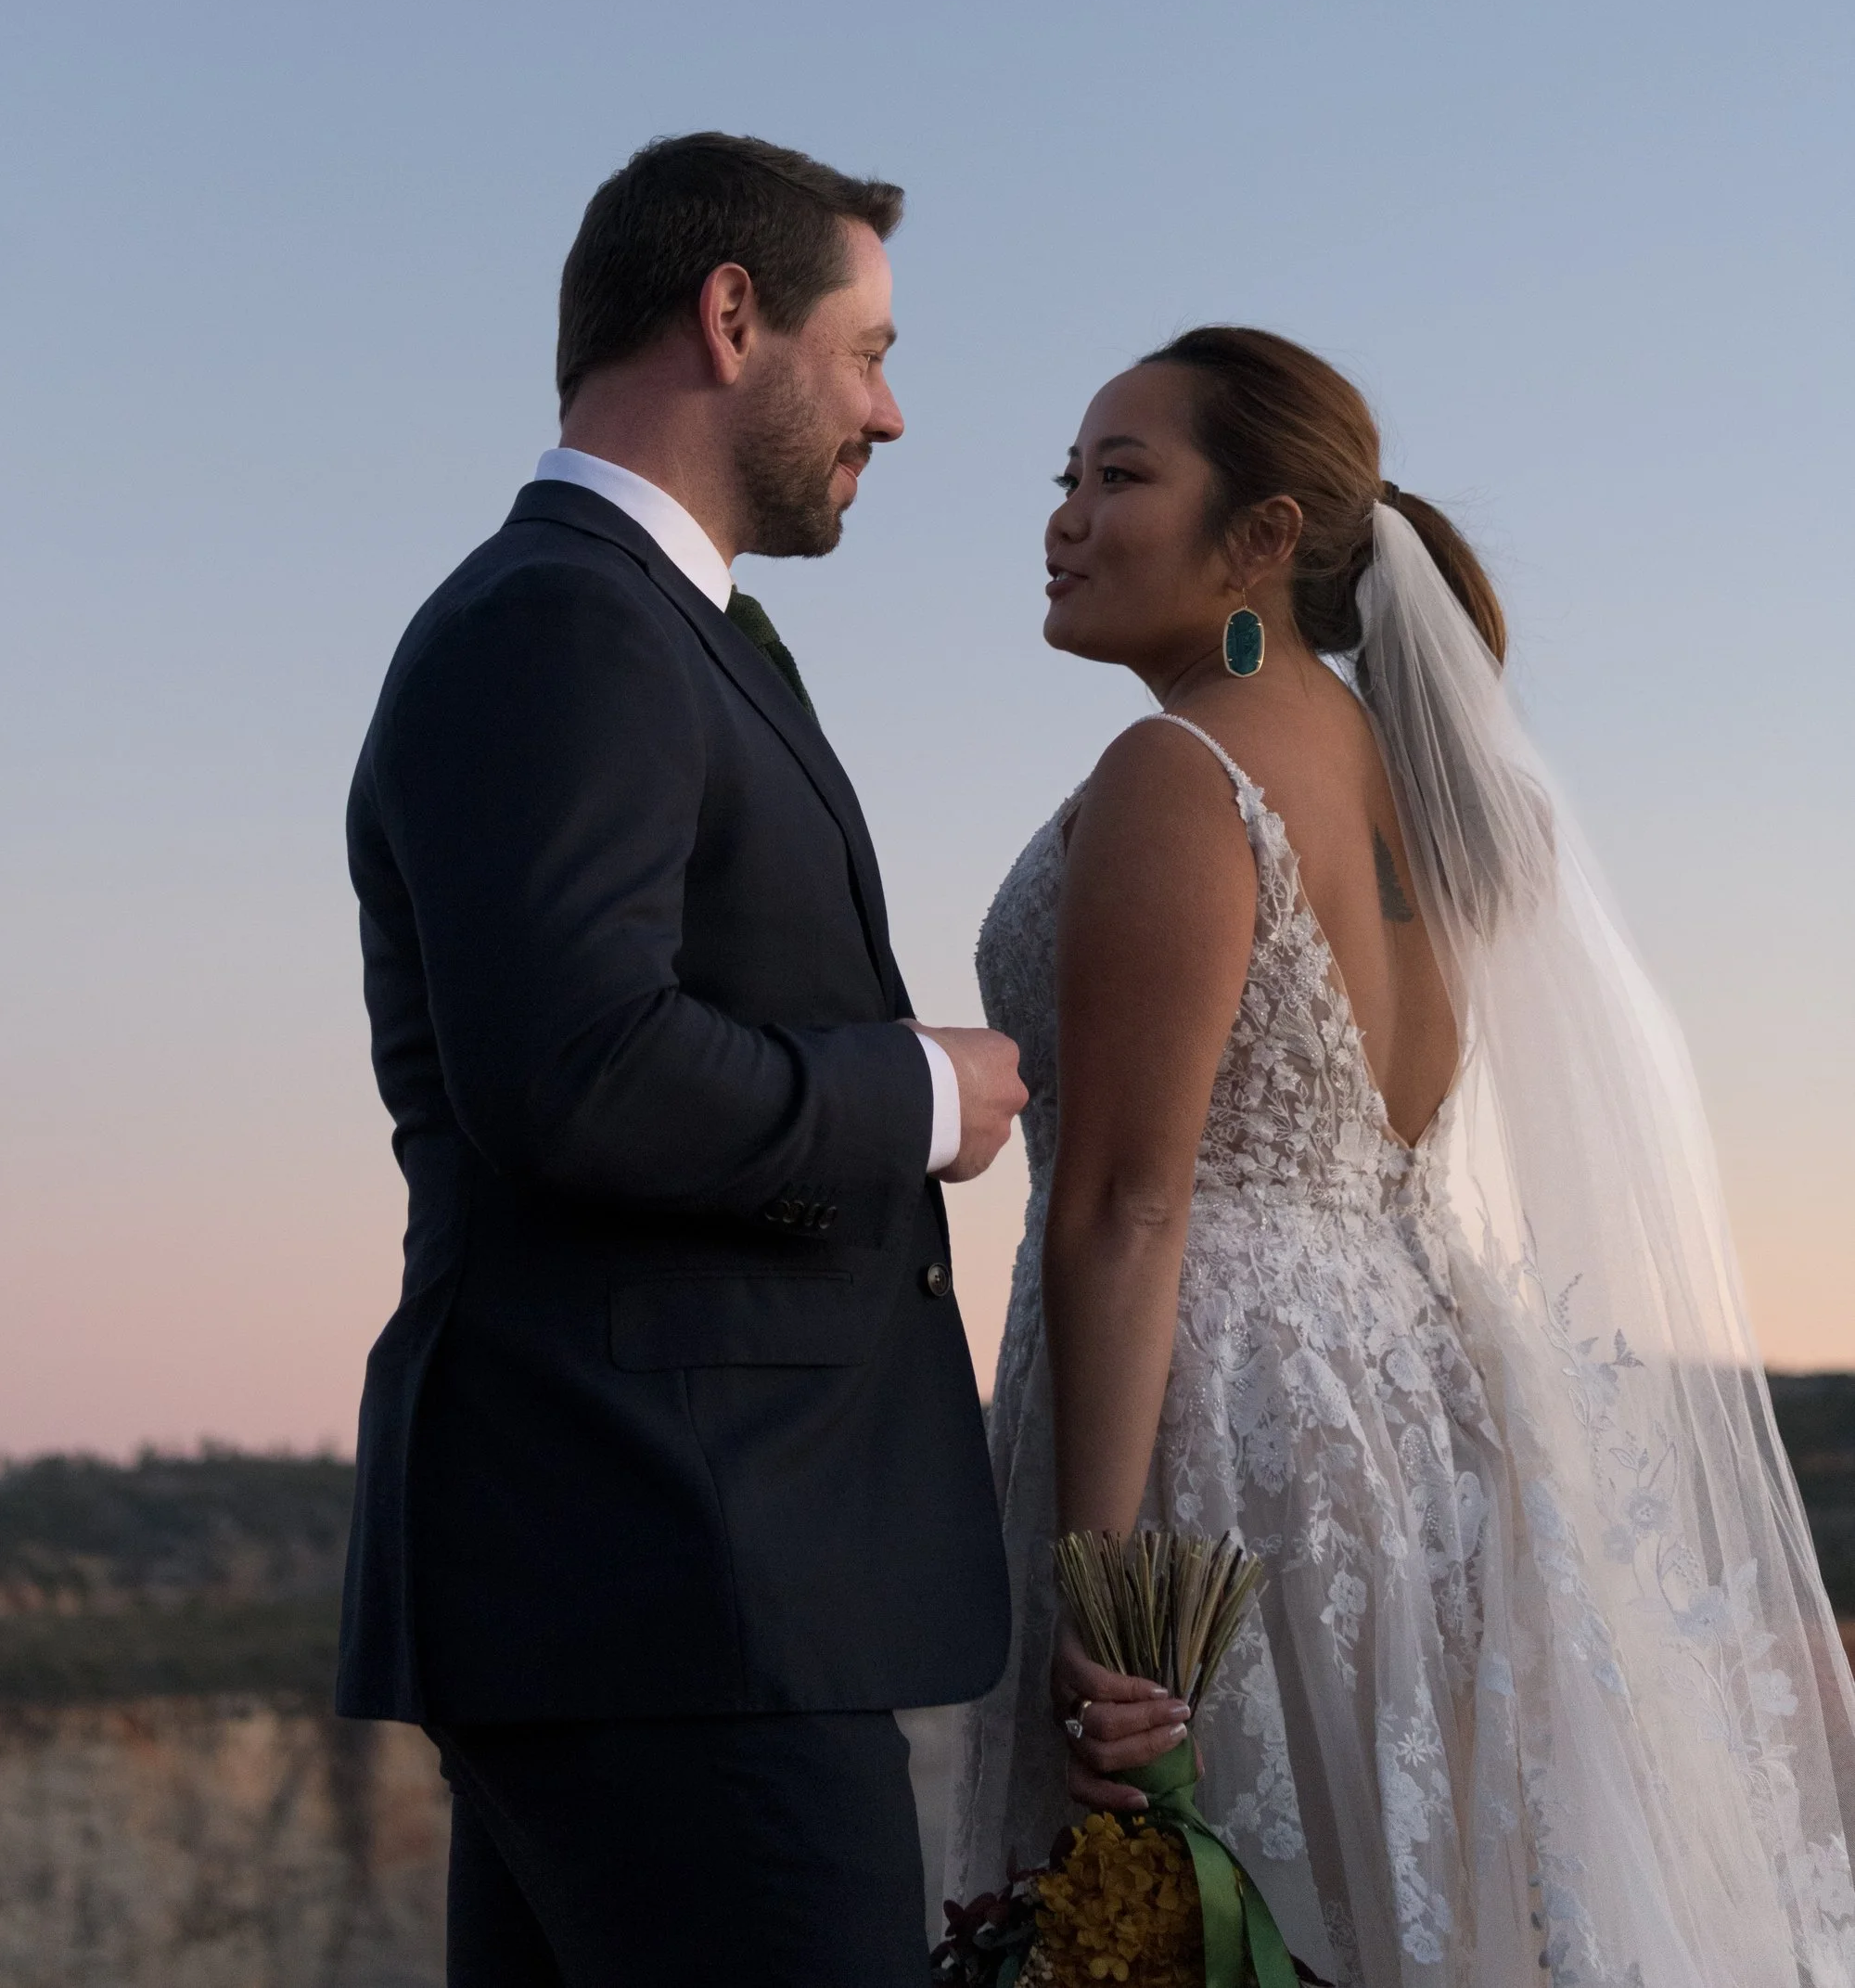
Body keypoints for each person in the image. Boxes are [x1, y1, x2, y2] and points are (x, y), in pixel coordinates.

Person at [947, 325, 1855, 1988]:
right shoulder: (1423, 788)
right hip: (1397, 1408)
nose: (1066, 517)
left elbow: (1130, 1201)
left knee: (1199, 1907)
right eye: (1064, 478)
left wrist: (1104, 1597)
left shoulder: (1185, 765)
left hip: (1203, 1411)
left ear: (1268, 534)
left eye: (1120, 475)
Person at [339, 132, 1025, 1988]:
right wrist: (920, 1095)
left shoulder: (655, 633)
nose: (891, 414)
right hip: (662, 1566)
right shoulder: (560, 620)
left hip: (666, 1578)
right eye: (867, 349)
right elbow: (578, 1067)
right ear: (730, 317)